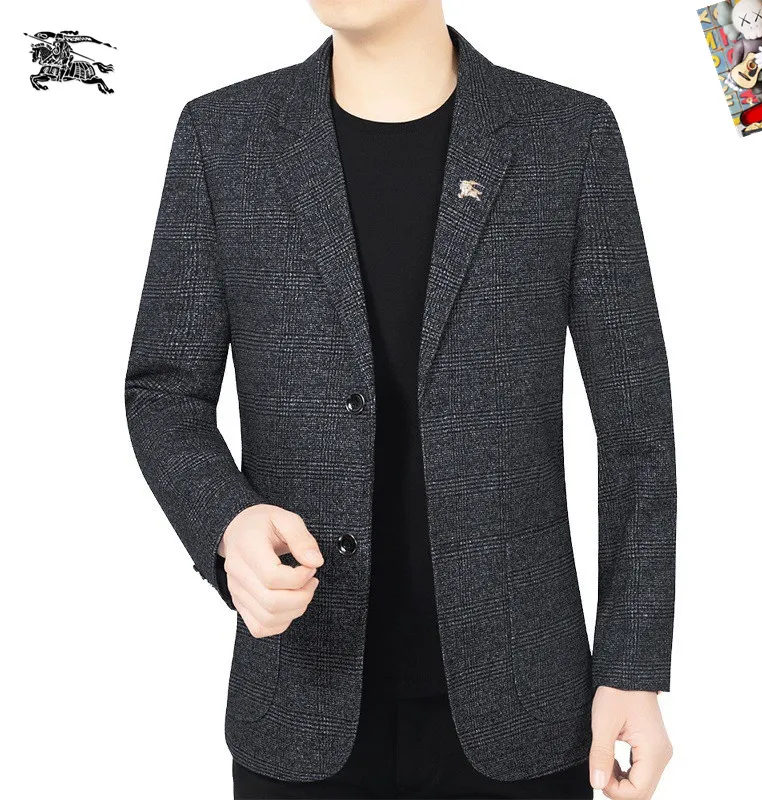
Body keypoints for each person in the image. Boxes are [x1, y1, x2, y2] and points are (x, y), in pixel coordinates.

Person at [124, 1, 676, 798]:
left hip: (526, 708)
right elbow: (163, 391)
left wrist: (631, 668)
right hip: (300, 703)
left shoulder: (565, 137)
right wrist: (225, 523)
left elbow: (636, 431)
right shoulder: (224, 138)